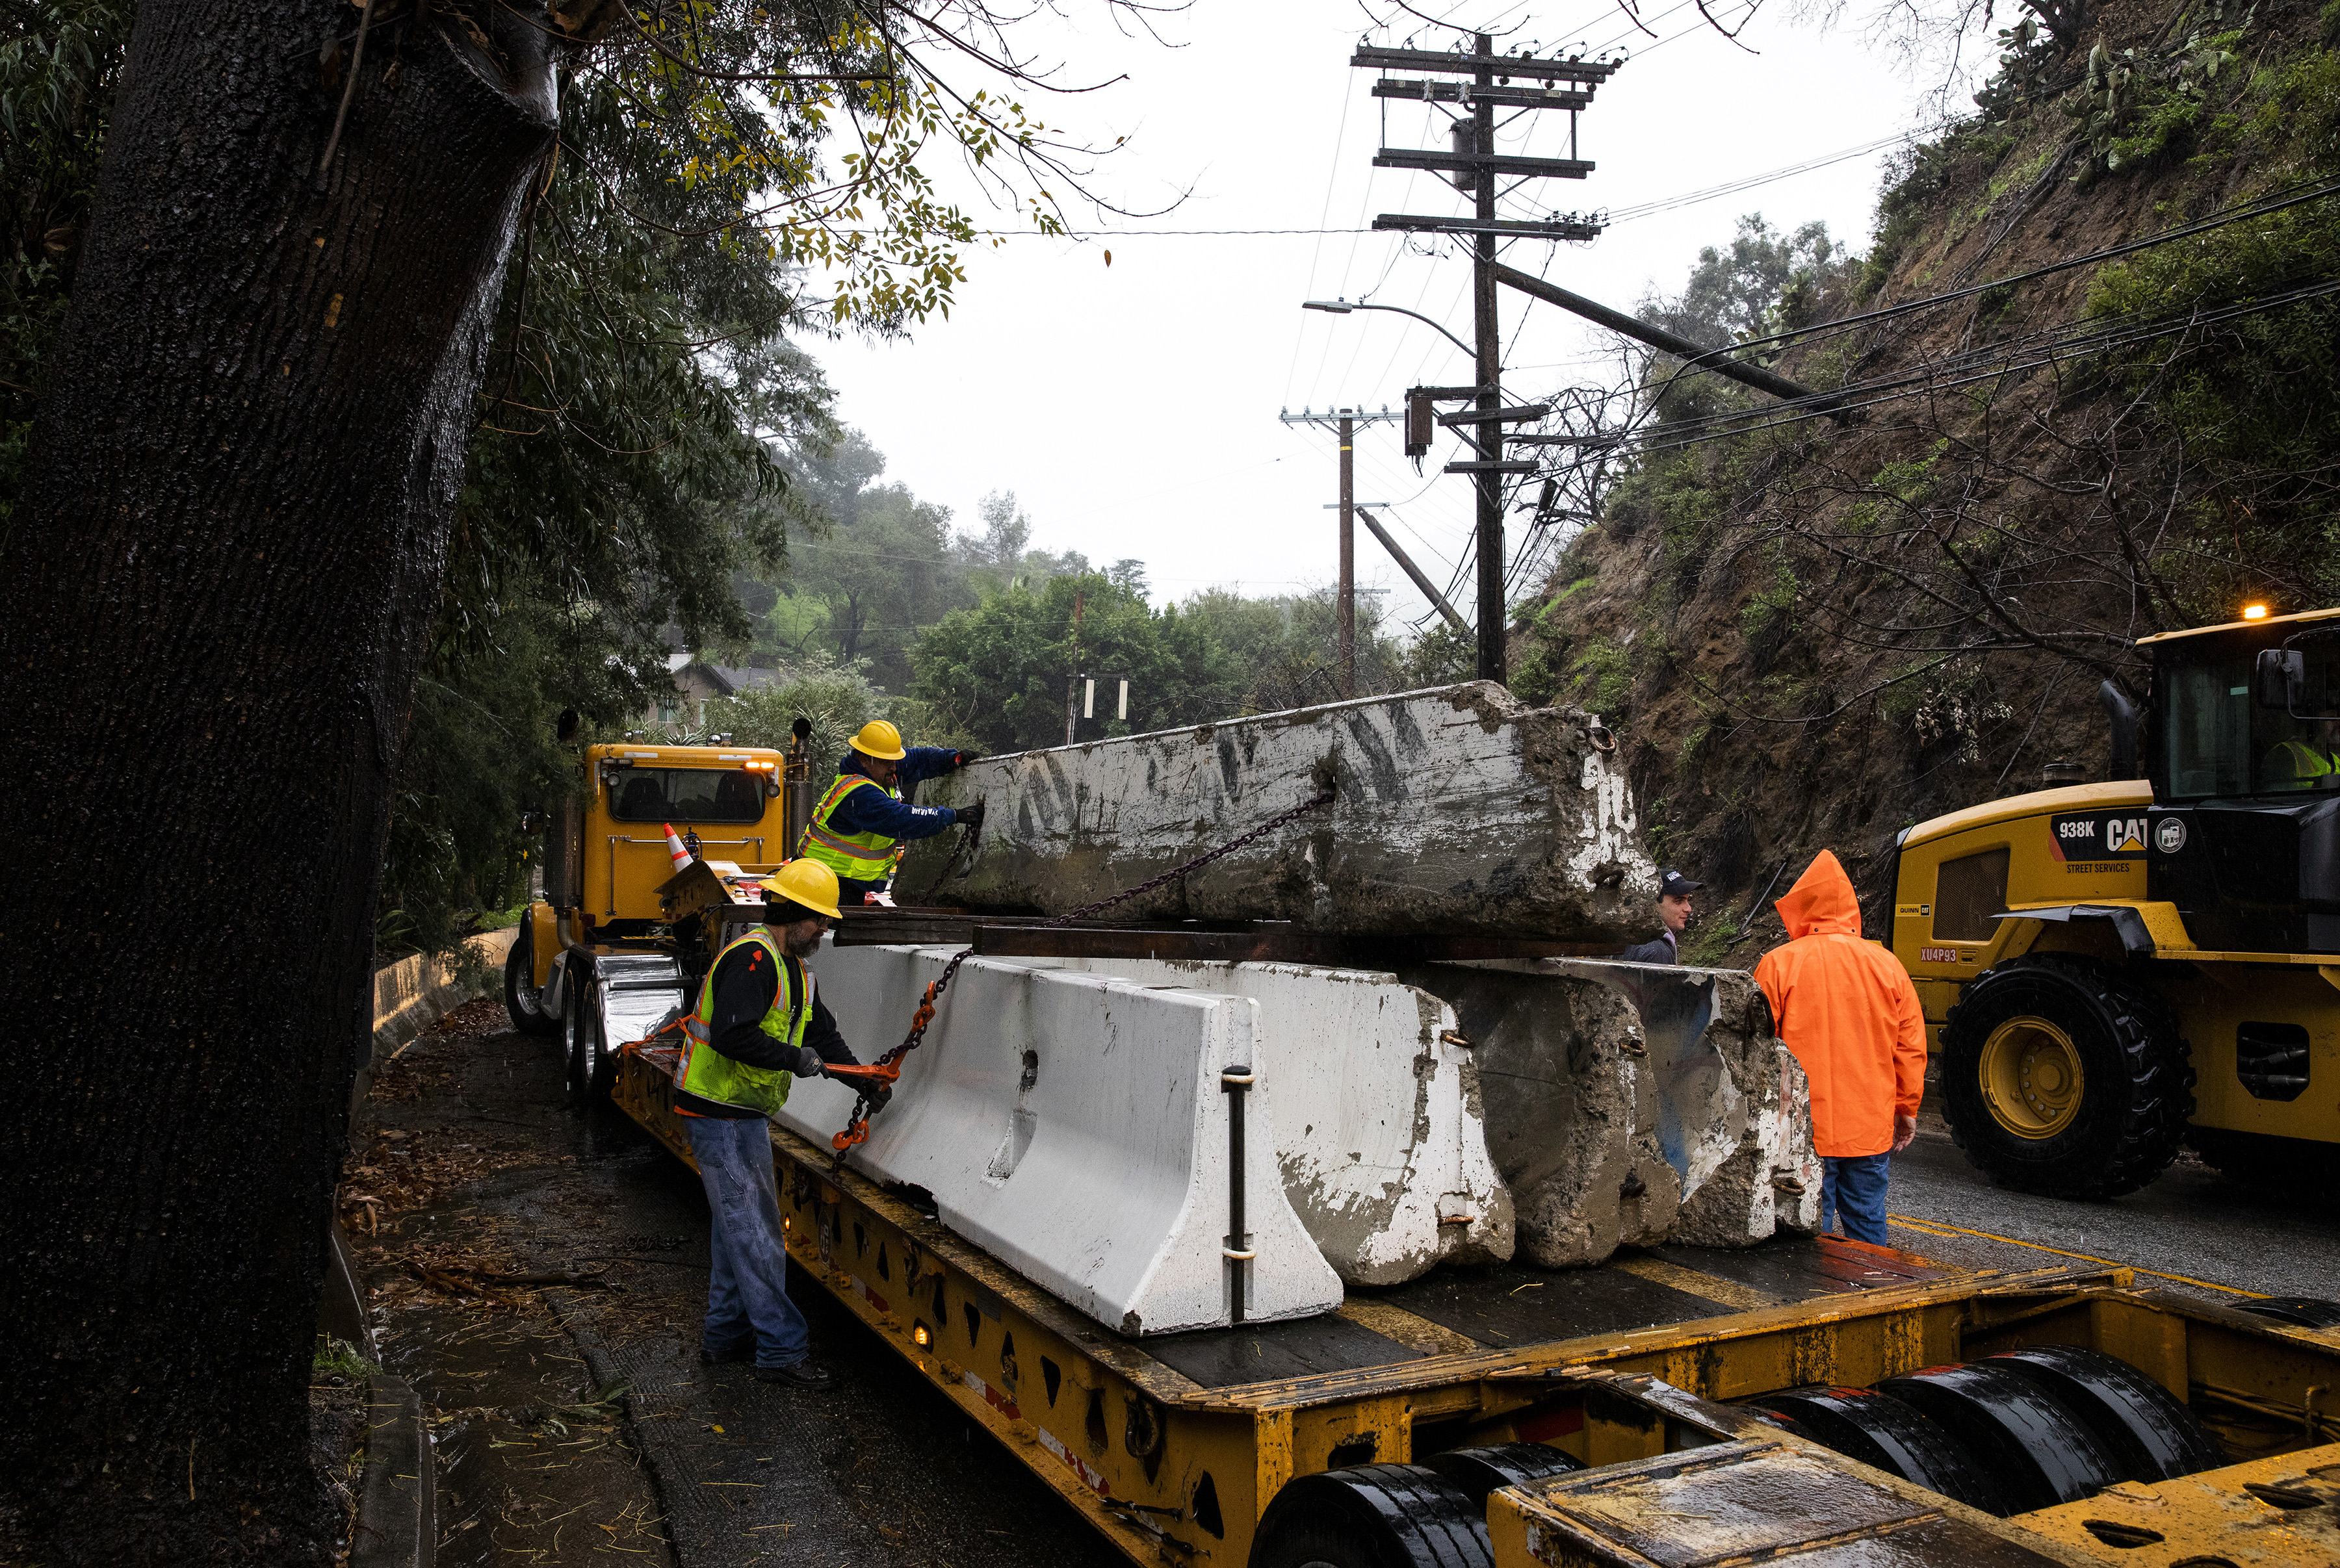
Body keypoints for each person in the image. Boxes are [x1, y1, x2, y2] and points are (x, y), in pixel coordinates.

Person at [673, 858, 887, 1387]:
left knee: (735, 1232)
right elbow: (729, 1034)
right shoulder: (753, 959)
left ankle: (724, 1338)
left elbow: (824, 1039)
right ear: (790, 911)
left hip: (740, 1114)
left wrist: (865, 1081)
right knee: (757, 1232)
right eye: (819, 920)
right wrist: (794, 1060)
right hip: (717, 1111)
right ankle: (781, 1350)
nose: (824, 930)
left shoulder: (797, 973)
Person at [1752, 850, 1925, 1248]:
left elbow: (1757, 1049)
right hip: (1869, 1128)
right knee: (1867, 1223)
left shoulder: (1778, 965)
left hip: (1803, 1129)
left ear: (1803, 906)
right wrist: (1906, 1108)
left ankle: (1814, 1304)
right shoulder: (1887, 965)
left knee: (1807, 1230)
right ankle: (1871, 1295)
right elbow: (1911, 1048)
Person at [798, 719, 985, 906]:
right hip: (821, 881)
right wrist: (954, 816)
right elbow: (902, 818)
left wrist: (952, 759)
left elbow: (918, 759)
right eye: (888, 762)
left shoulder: (879, 770)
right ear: (864, 760)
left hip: (840, 879)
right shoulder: (858, 794)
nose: (894, 768)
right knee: (825, 933)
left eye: (894, 761)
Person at [1618, 869, 1702, 964]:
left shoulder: (1625, 939)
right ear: (1654, 904)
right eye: (1679, 901)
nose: (1688, 909)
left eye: (1688, 900)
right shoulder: (1657, 952)